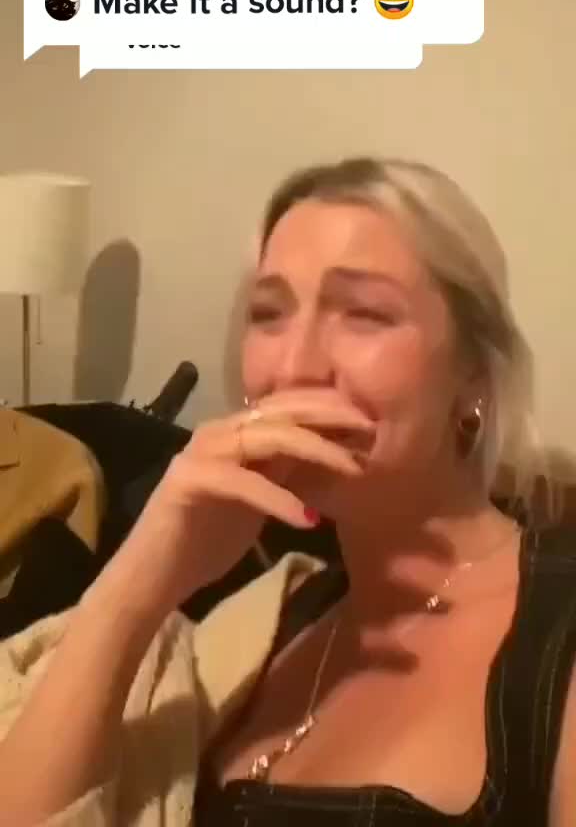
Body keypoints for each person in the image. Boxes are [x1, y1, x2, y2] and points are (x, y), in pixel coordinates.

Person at [0, 156, 574, 826]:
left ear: (473, 372)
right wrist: (140, 582)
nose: (294, 368)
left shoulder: (556, 631)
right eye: (268, 315)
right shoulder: (265, 621)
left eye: (365, 314)